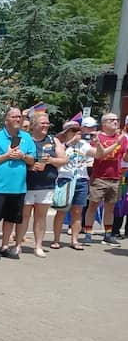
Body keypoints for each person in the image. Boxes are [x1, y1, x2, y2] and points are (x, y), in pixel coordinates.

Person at [0, 106, 36, 259]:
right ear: (6, 120)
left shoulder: (26, 138)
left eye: (19, 117)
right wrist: (6, 156)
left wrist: (23, 156)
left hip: (18, 188)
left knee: (11, 219)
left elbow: (33, 160)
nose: (17, 119)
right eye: (13, 117)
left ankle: (5, 246)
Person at [14, 110, 65, 257]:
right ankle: (18, 245)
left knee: (41, 216)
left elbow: (63, 159)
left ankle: (38, 246)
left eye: (47, 123)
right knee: (24, 216)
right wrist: (30, 166)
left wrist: (50, 161)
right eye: (43, 123)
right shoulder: (26, 139)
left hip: (46, 185)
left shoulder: (53, 140)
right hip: (26, 184)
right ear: (34, 125)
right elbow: (16, 156)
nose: (46, 125)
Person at [82, 112, 128, 245]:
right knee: (93, 205)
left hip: (115, 177)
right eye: (112, 120)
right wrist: (116, 143)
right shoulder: (97, 137)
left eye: (117, 119)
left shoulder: (122, 139)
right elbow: (99, 155)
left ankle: (108, 234)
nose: (115, 122)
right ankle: (88, 233)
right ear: (104, 123)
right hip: (99, 177)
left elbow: (125, 159)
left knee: (110, 207)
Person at [51, 120, 93, 250]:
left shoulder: (84, 145)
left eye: (78, 131)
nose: (77, 133)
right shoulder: (61, 144)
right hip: (65, 179)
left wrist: (98, 142)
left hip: (81, 180)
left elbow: (98, 154)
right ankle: (56, 240)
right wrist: (71, 142)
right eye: (73, 131)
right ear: (67, 132)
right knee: (61, 211)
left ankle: (74, 240)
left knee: (77, 211)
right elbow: (58, 155)